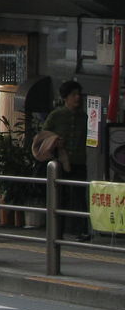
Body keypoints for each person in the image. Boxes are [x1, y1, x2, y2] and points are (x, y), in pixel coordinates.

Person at [38, 79, 90, 242]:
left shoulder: (84, 116)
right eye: (74, 95)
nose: (77, 98)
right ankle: (57, 230)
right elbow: (43, 134)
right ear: (66, 97)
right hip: (59, 162)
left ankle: (80, 230)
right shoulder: (57, 115)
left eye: (79, 95)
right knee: (60, 196)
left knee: (79, 196)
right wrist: (55, 141)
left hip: (79, 161)